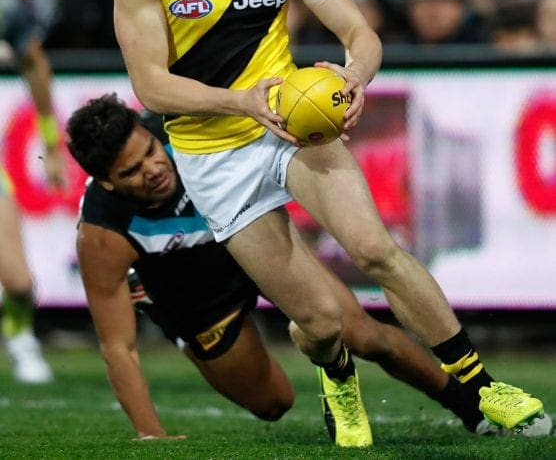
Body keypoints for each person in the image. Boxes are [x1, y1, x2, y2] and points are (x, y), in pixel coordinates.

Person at [112, 0, 545, 448]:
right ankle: (337, 376)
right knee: (318, 322)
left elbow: (360, 35)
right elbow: (150, 85)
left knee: (376, 251)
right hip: (212, 155)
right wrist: (242, 101)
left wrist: (353, 78)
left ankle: (483, 387)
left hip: (291, 129)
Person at [65, 95, 553, 440]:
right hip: (195, 296)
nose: (153, 169)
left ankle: (472, 409)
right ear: (106, 183)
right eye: (131, 172)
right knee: (273, 404)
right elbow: (118, 347)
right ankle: (155, 300)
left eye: (150, 152)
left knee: (364, 334)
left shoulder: (187, 132)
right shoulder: (102, 234)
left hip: (253, 237)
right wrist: (151, 436)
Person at [0, 0, 64, 383]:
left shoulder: (3, 0)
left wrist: (51, 143)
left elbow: (34, 62)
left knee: (20, 283)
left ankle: (19, 335)